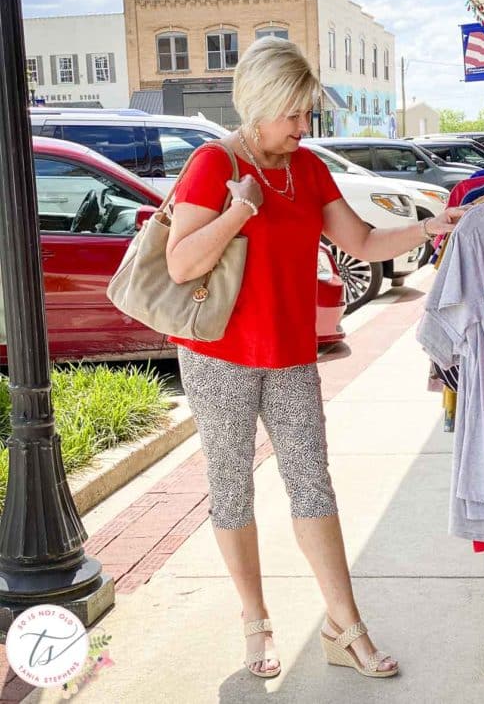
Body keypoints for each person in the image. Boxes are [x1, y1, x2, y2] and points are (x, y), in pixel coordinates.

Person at [166, 36, 463, 680]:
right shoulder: (214, 165)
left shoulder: (309, 169)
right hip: (218, 356)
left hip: (290, 352)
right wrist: (240, 209)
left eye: (309, 114)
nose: (306, 126)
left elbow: (360, 239)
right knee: (232, 490)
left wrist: (428, 229)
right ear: (262, 104)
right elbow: (182, 261)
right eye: (296, 114)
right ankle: (256, 623)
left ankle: (343, 625)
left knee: (311, 483)